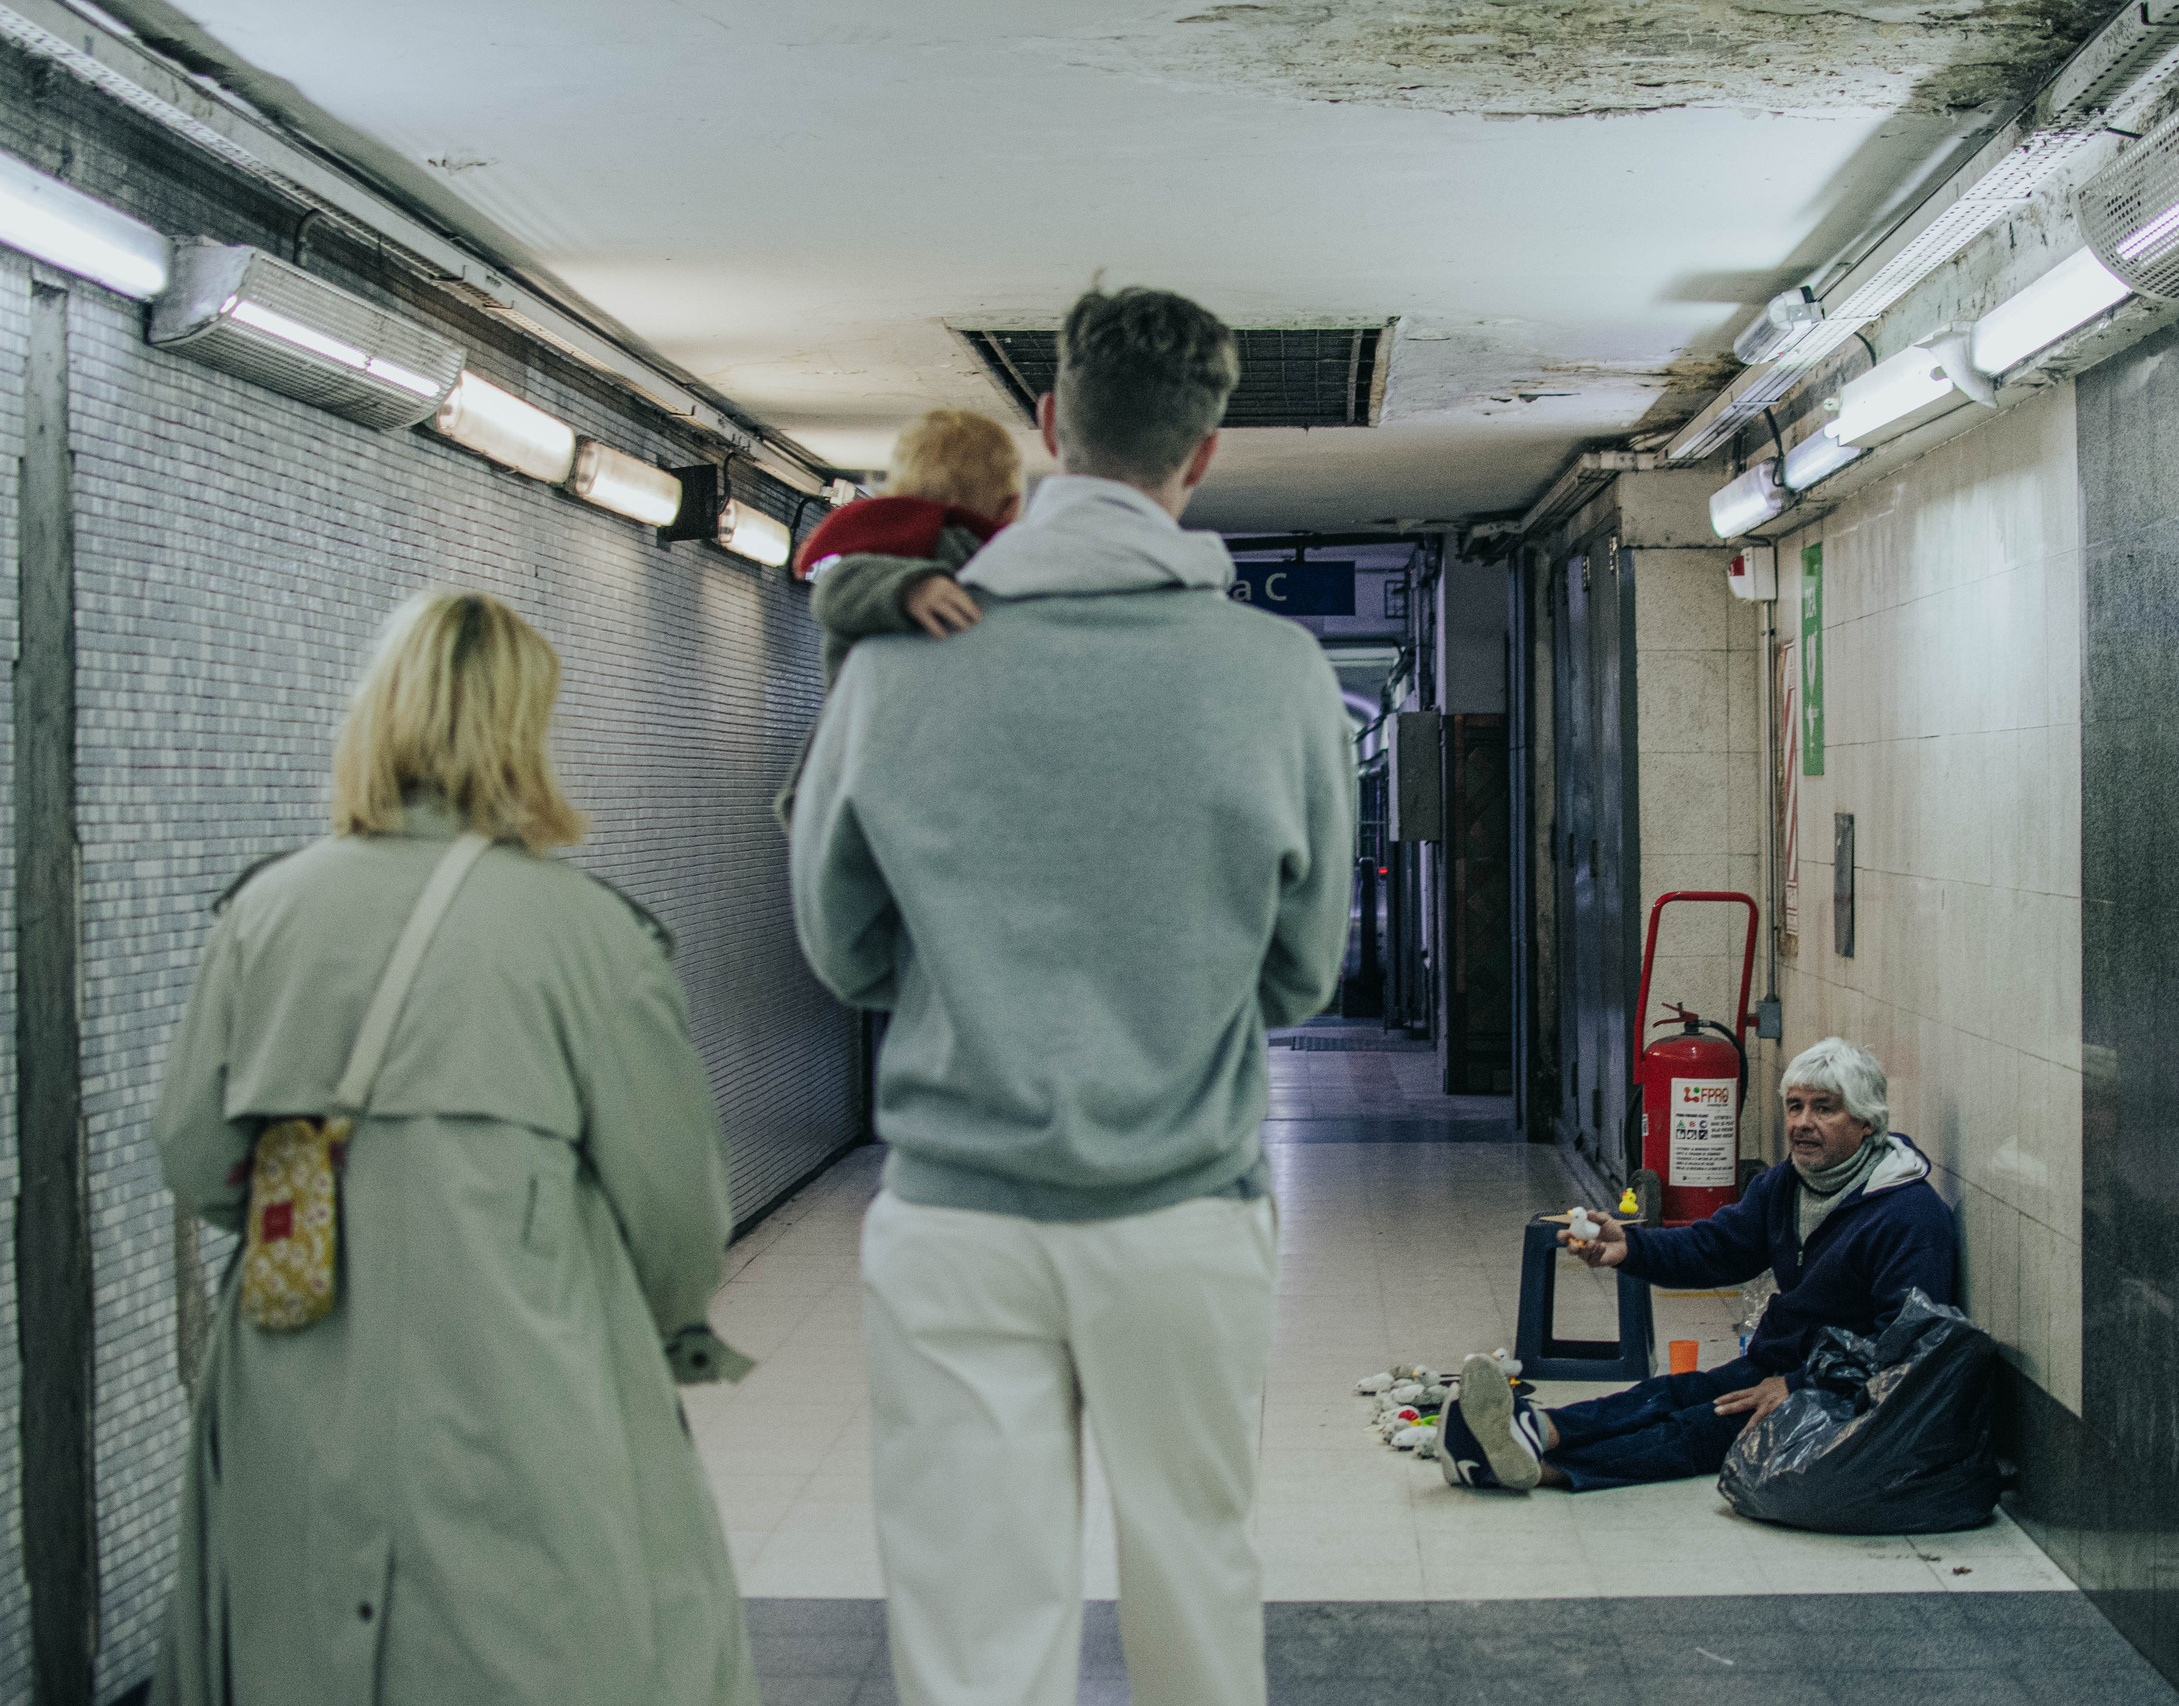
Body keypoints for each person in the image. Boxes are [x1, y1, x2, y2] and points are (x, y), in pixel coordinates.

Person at [789, 286, 1354, 1706]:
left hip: (958, 1218)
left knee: (977, 1623)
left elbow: (843, 949)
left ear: (1048, 428)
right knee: (1196, 1581)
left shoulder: (900, 664)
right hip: (1186, 1209)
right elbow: (1305, 969)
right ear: (1203, 454)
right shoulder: (1279, 674)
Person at [151, 589, 757, 1706]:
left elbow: (194, 1155)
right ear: (526, 729)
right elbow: (674, 1209)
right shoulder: (590, 937)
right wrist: (665, 1330)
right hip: (525, 1376)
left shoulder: (263, 914)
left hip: (296, 1376)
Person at [1438, 1037, 1956, 1495]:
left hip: (1844, 1391)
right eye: (1794, 1107)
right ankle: (1529, 1427)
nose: (1802, 1123)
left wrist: (1797, 1386)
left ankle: (1528, 1468)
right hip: (1779, 1362)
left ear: (1867, 1122)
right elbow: (1715, 1249)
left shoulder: (1908, 1216)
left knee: (1699, 1427)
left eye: (1824, 1109)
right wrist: (1631, 1248)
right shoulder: (1784, 1186)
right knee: (1671, 1394)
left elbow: (1902, 1347)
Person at [795, 406, 1025, 681]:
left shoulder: (877, 538)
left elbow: (832, 588)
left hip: (857, 716)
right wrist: (911, 588)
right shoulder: (968, 556)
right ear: (1010, 508)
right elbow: (832, 591)